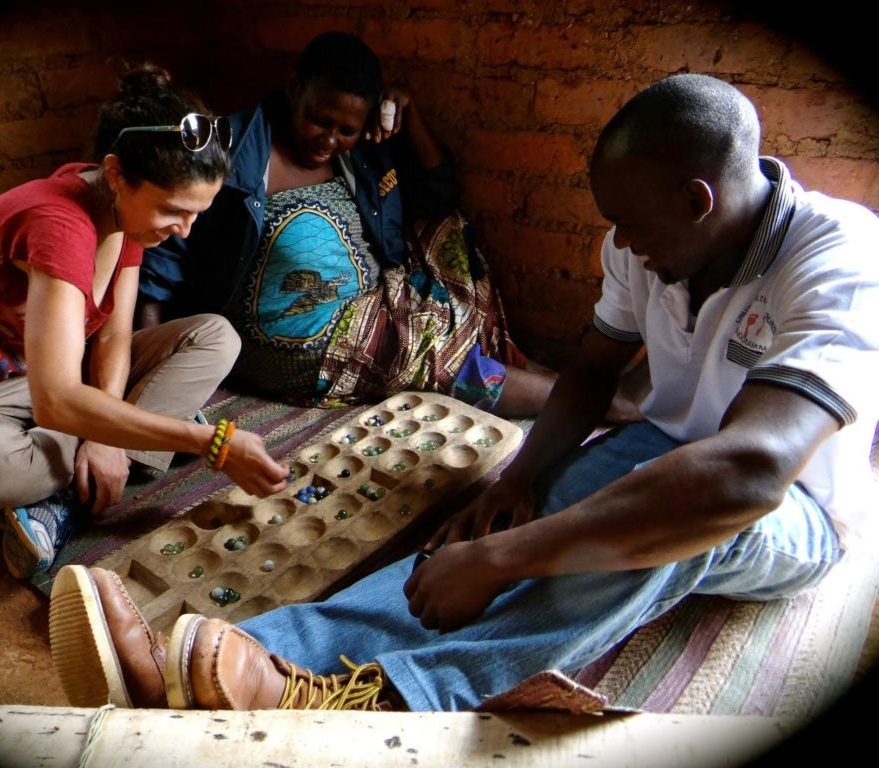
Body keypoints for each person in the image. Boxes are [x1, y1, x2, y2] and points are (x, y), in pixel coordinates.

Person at [47, 73, 879, 713]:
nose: (619, 247)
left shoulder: (838, 262)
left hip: (794, 514)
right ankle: (256, 656)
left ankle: (389, 697)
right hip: (664, 449)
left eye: (633, 230)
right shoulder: (650, 234)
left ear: (698, 203)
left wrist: (504, 559)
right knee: (522, 507)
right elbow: (591, 372)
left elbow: (748, 474)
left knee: (676, 523)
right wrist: (519, 486)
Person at [0, 63, 289, 581]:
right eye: (173, 211)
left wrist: (107, 436)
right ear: (117, 174)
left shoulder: (123, 214)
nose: (184, 232)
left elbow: (116, 336)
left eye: (197, 214)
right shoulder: (60, 224)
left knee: (215, 336)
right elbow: (56, 398)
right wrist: (209, 443)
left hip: (51, 378)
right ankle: (109, 464)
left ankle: (93, 464)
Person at [135, 31, 645, 420]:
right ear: (294, 89)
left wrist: (411, 113)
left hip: (370, 303)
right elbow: (160, 261)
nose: (329, 139)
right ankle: (591, 404)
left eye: (346, 130)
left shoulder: (367, 155)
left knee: (446, 244)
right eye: (320, 120)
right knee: (431, 354)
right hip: (290, 340)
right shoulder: (234, 150)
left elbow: (439, 192)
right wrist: (152, 368)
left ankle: (564, 385)